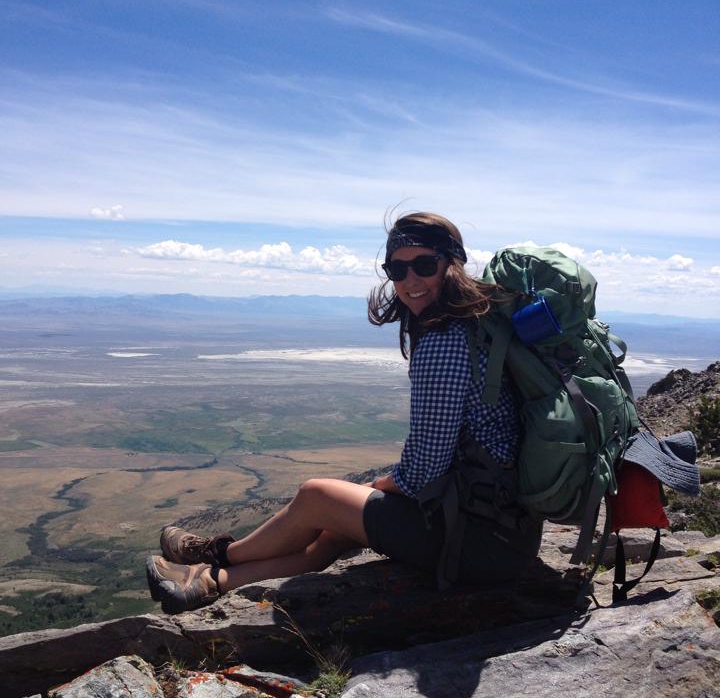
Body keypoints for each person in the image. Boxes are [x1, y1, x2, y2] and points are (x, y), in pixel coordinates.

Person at [146, 212, 542, 614]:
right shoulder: (478, 327)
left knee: (316, 495)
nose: (410, 281)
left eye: (424, 265)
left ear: (451, 265)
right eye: (397, 269)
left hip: (476, 541)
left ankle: (216, 556)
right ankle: (210, 582)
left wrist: (388, 483)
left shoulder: (444, 341)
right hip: (503, 535)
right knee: (334, 530)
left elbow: (425, 469)